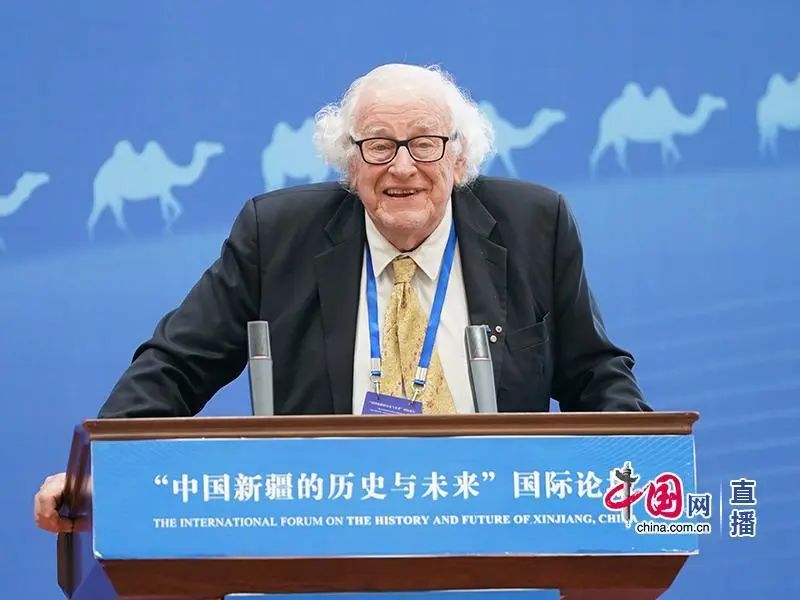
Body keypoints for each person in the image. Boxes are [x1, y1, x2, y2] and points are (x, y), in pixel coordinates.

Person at [34, 63, 650, 532]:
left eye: (425, 143)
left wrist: (642, 472)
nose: (402, 167)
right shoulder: (277, 235)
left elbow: (593, 372)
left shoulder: (534, 225)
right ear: (349, 165)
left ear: (460, 159)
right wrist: (100, 472)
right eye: (378, 146)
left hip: (495, 525)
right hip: (321, 531)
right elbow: (176, 364)